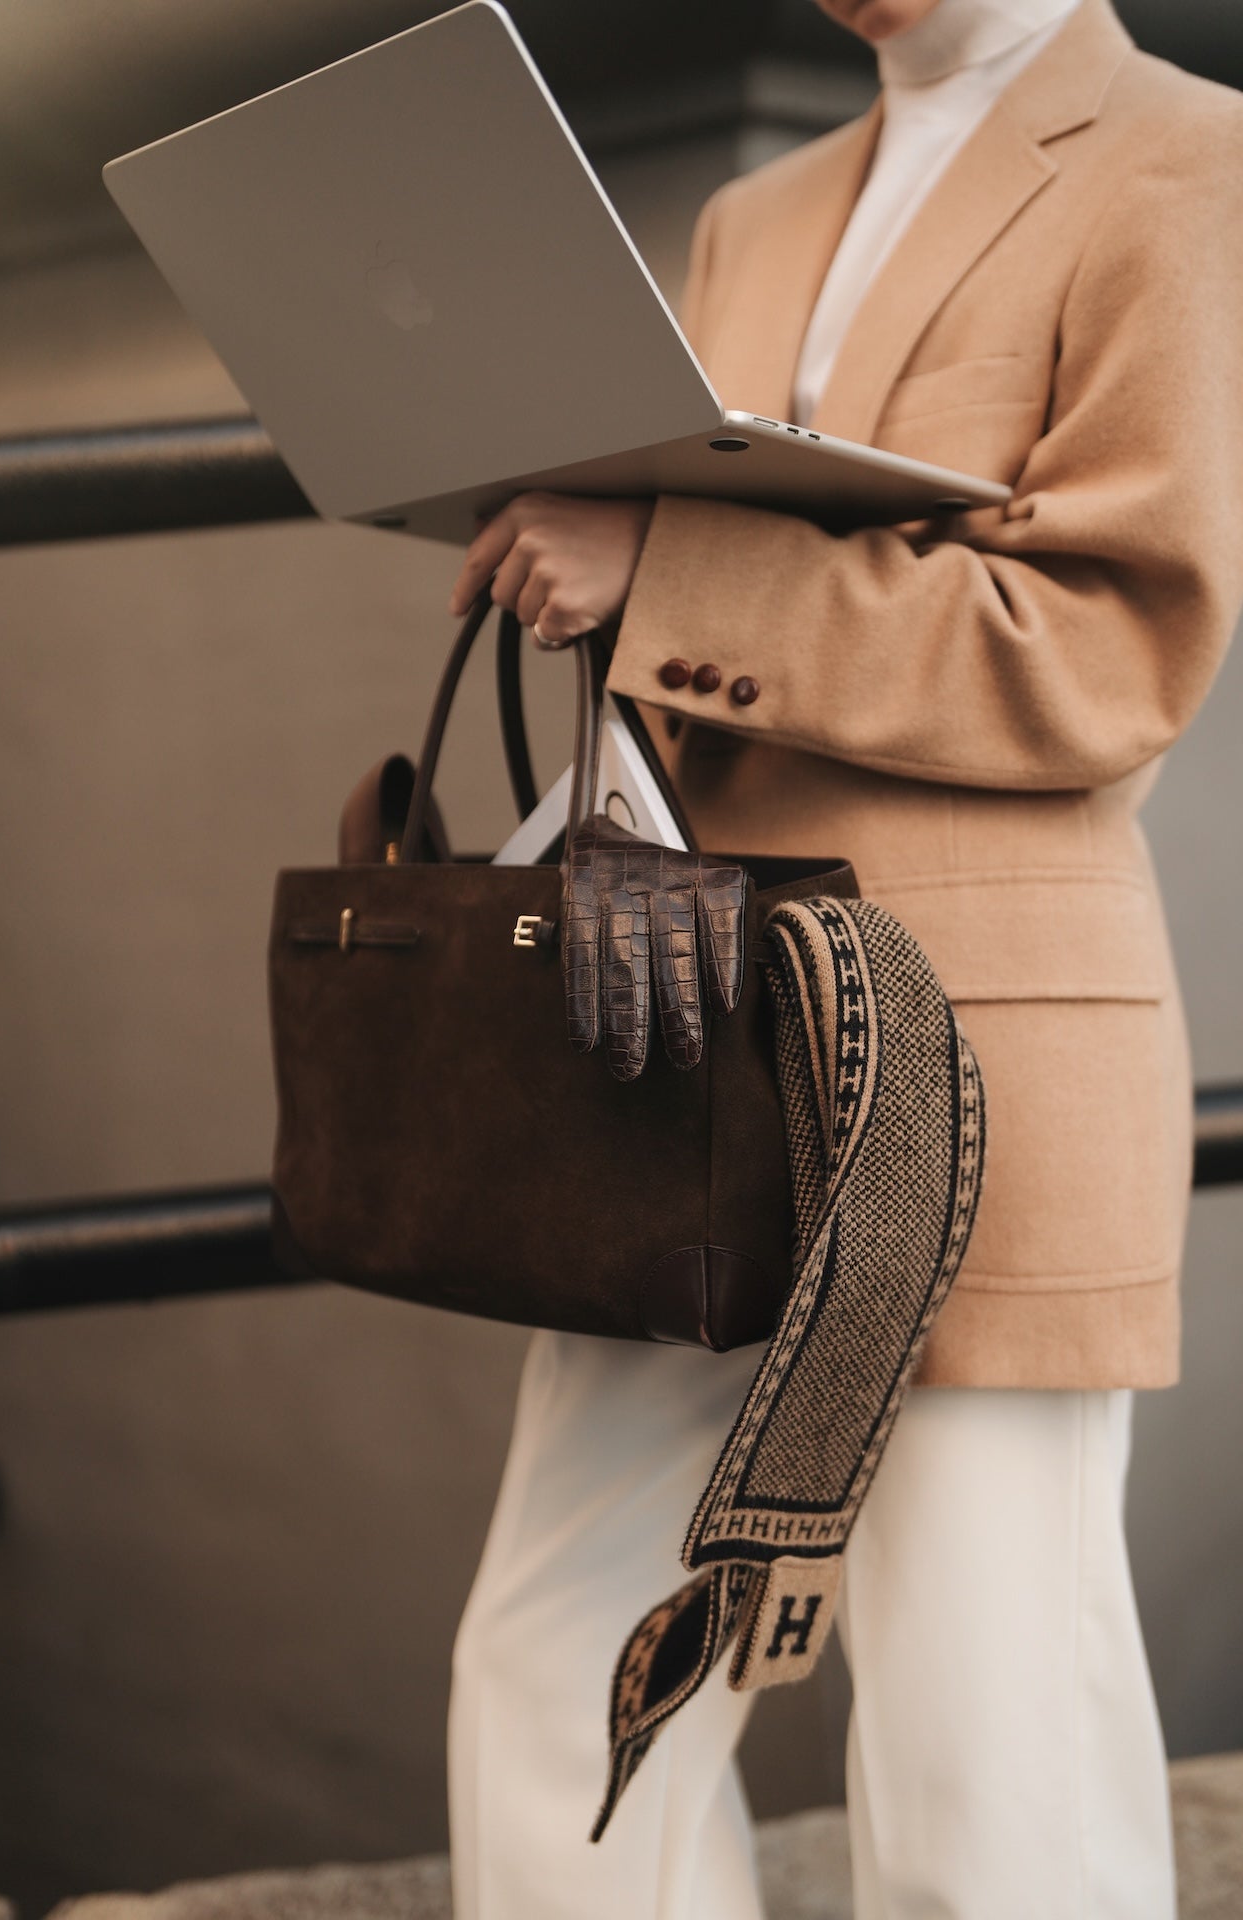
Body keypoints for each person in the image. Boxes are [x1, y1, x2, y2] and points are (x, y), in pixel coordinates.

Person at [445, 0, 1243, 1913]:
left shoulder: (1191, 158)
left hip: (976, 1055)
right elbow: (703, 573)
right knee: (560, 1654)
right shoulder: (753, 209)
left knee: (988, 1720)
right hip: (688, 1034)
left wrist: (670, 569)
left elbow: (1114, 649)